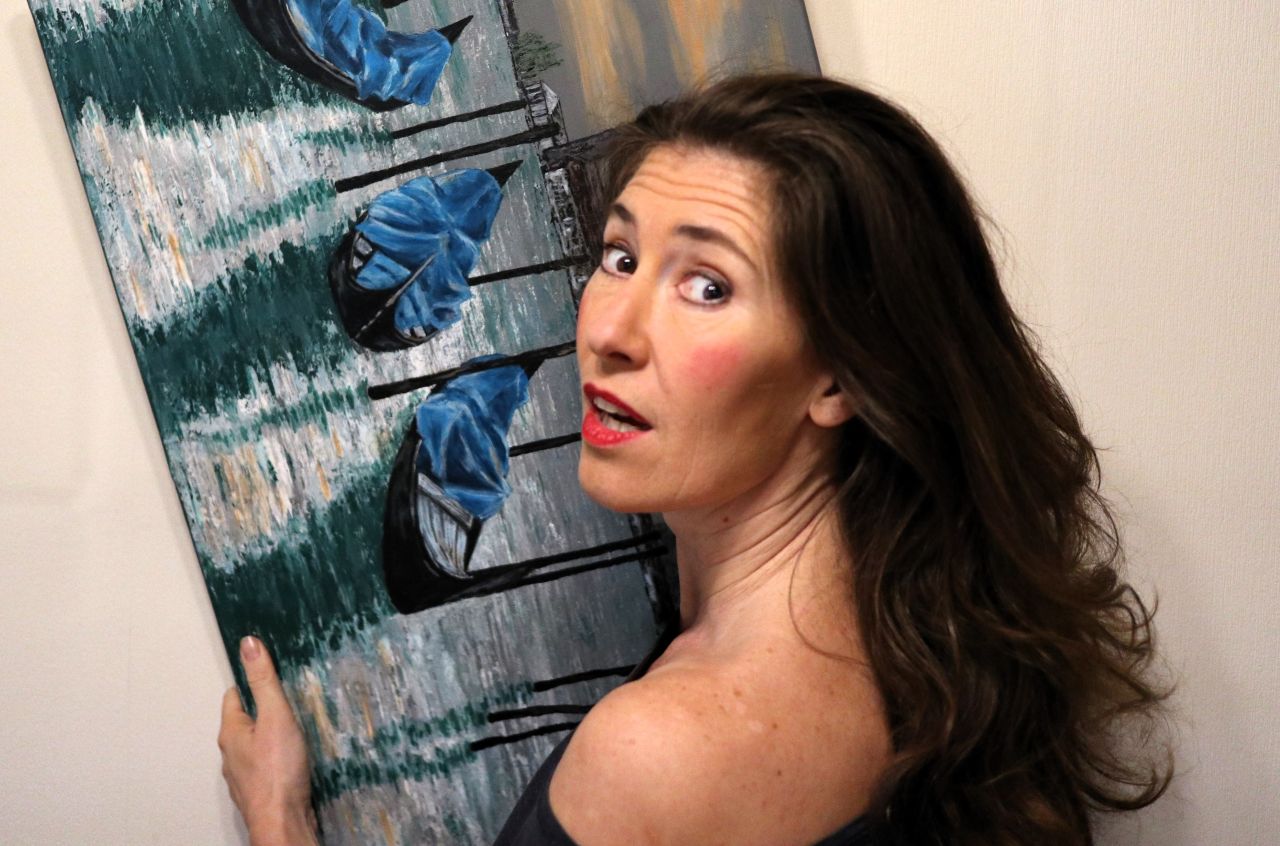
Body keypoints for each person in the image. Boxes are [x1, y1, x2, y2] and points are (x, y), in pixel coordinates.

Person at [219, 72, 1172, 845]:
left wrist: (277, 824)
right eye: (621, 257)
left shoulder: (655, 754)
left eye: (708, 286)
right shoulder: (933, 648)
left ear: (840, 374)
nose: (611, 331)